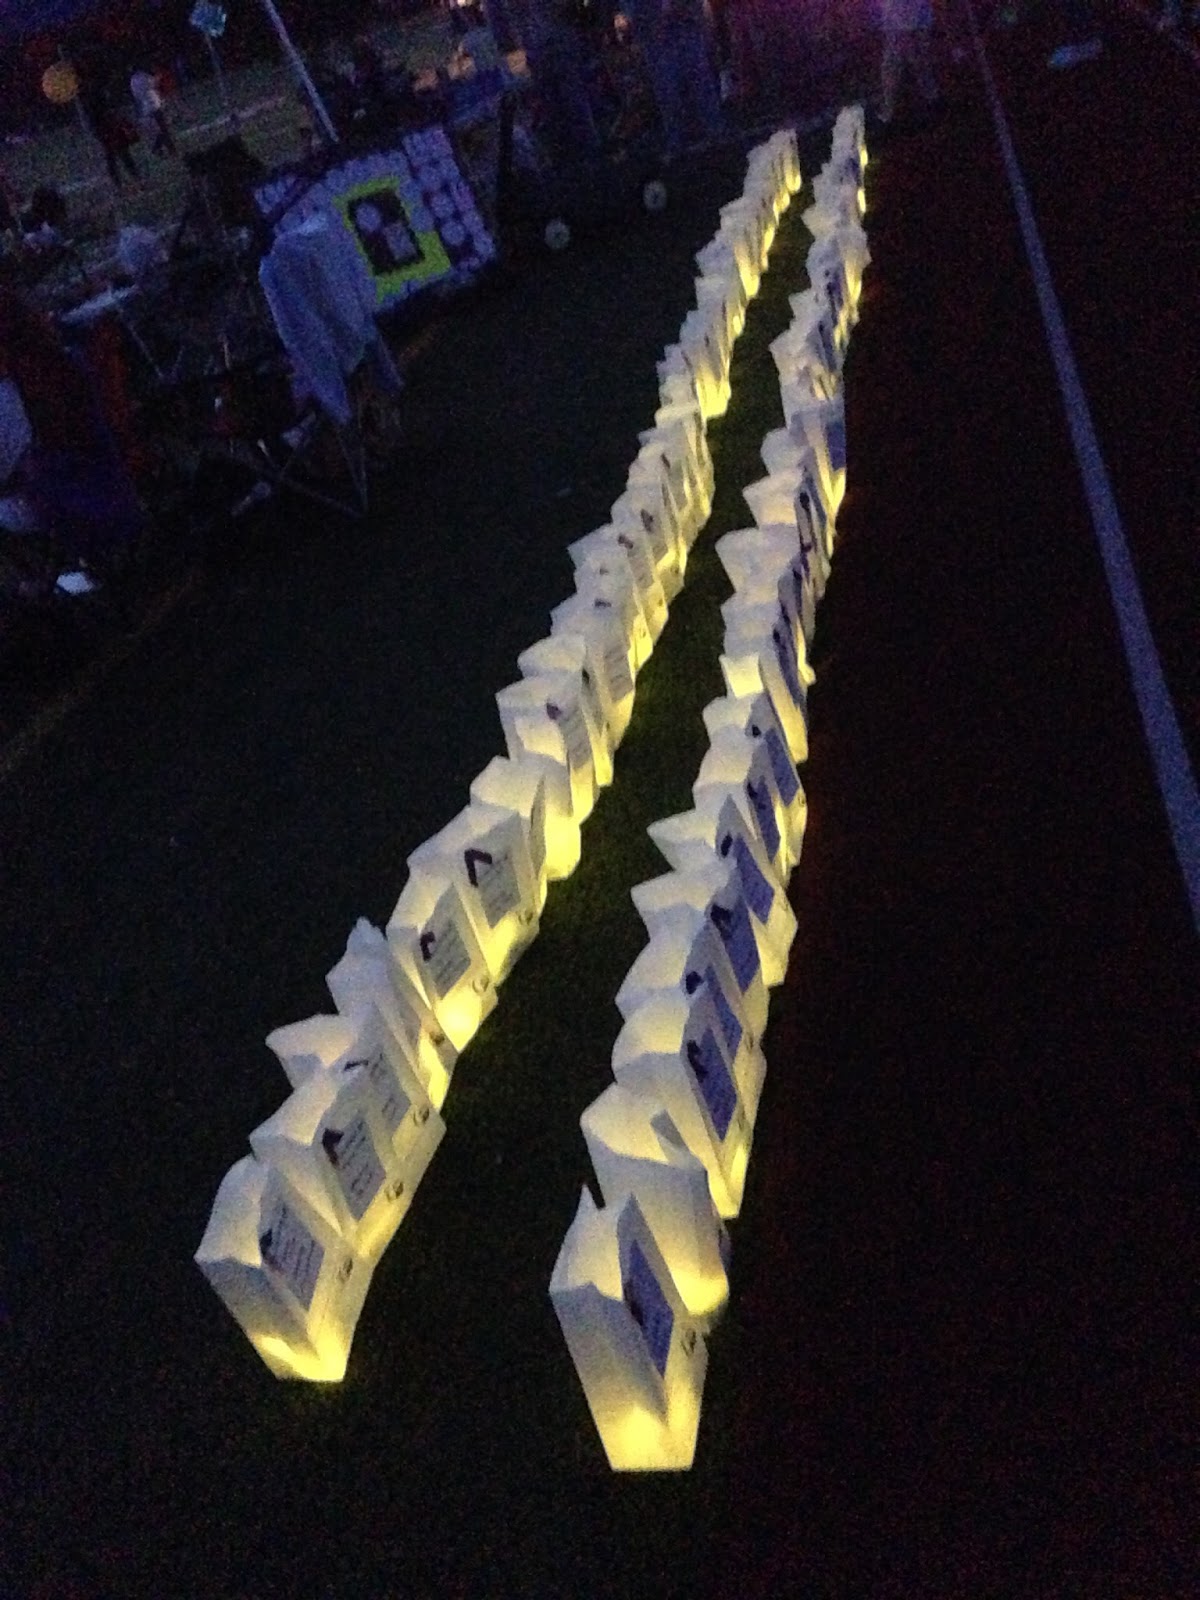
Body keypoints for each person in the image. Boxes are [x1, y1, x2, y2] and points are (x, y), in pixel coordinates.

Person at [875, 0, 941, 130]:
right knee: (913, 62)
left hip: (907, 20)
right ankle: (930, 100)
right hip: (903, 20)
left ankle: (929, 101)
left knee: (911, 62)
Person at [79, 75, 140, 186]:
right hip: (106, 127)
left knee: (116, 155)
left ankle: (125, 180)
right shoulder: (91, 97)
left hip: (106, 127)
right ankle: (129, 178)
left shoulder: (89, 96)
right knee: (118, 154)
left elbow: (95, 115)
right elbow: (97, 114)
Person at [129, 65, 178, 157]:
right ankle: (169, 150)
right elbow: (154, 83)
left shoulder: (132, 82)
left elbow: (136, 95)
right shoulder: (142, 76)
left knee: (161, 129)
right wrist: (158, 76)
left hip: (146, 107)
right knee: (163, 128)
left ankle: (160, 148)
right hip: (154, 105)